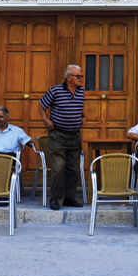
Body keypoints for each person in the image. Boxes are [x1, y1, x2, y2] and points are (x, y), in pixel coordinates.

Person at [38, 64, 86, 211]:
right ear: (68, 77)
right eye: (77, 76)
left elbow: (80, 105)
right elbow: (41, 104)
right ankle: (55, 199)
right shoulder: (56, 90)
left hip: (75, 136)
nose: (80, 78)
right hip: (58, 136)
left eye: (81, 76)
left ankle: (69, 198)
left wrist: (84, 116)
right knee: (59, 168)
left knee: (74, 169)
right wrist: (46, 119)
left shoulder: (81, 90)